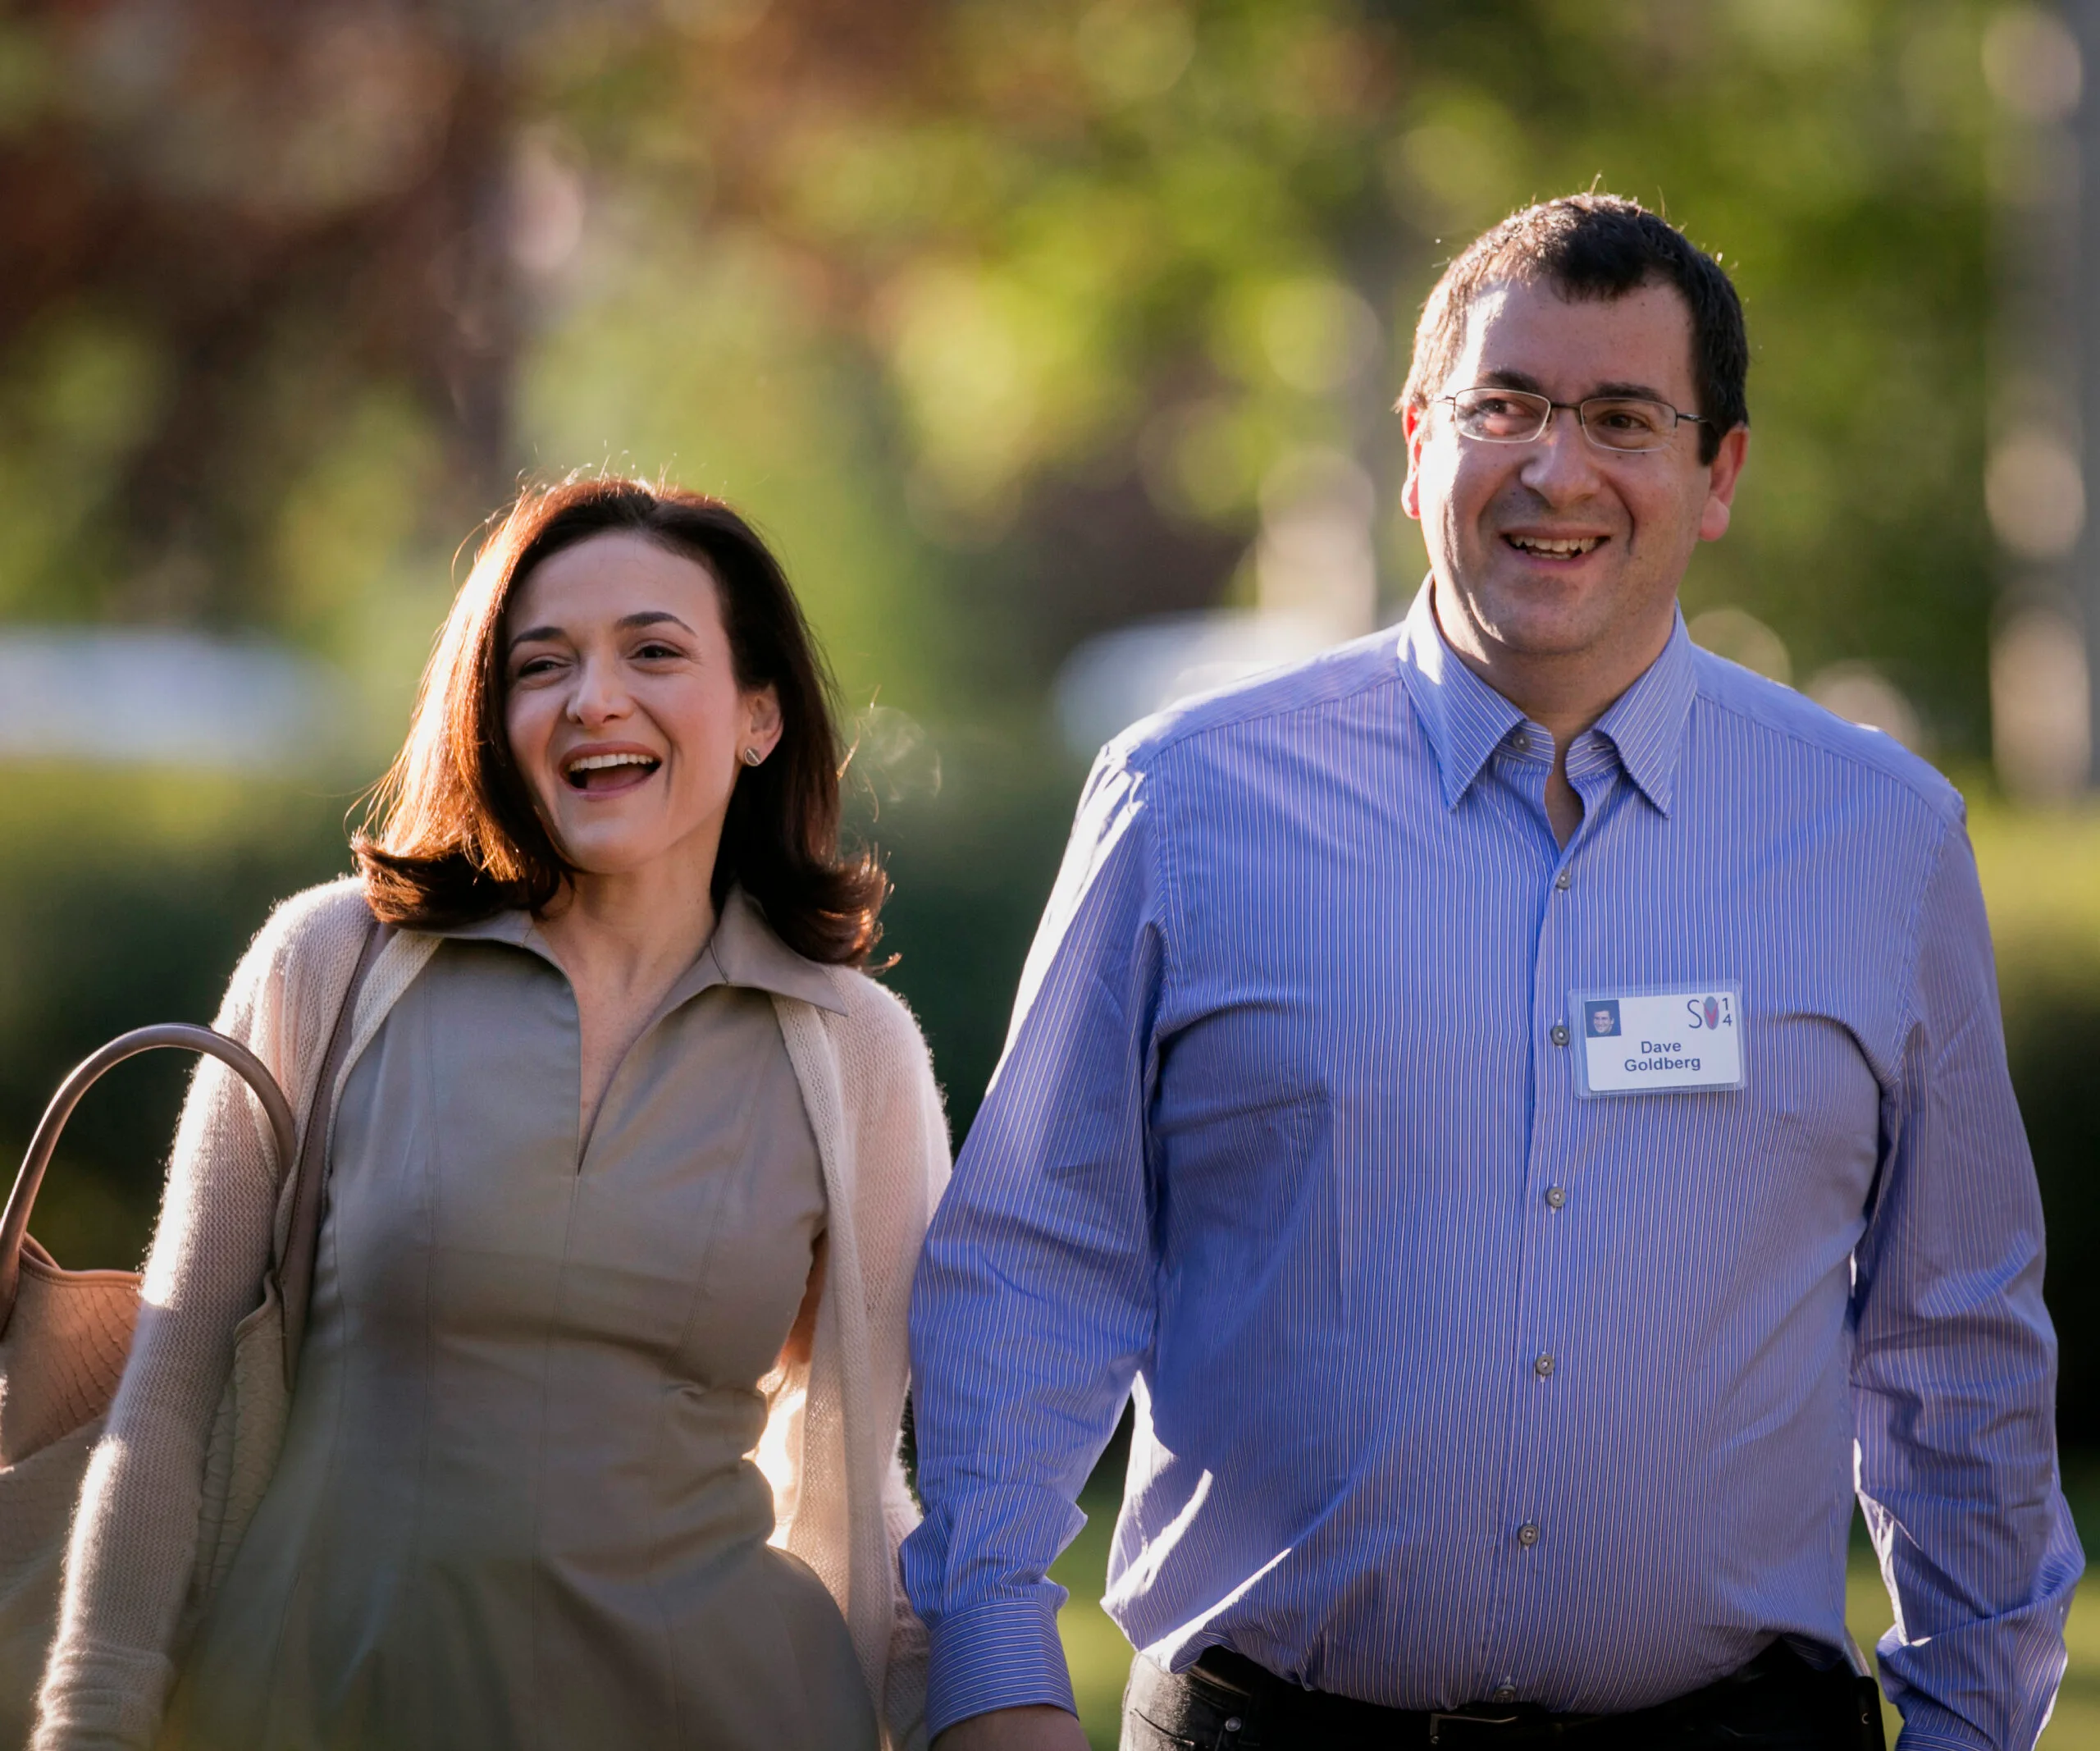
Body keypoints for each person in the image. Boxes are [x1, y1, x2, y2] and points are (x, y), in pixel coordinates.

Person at [903, 195, 2082, 1751]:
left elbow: (1957, 1343)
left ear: (1717, 472)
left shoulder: (1882, 840)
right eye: (1505, 407)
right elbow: (1033, 1266)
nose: (1557, 468)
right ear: (1413, 445)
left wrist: (1973, 1726)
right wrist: (989, 1670)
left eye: (1622, 418)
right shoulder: (1185, 802)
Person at [34, 478, 947, 1750]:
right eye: (542, 664)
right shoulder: (330, 964)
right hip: (310, 1710)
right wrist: (91, 1714)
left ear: (758, 715)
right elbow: (169, 1392)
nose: (594, 698)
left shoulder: (854, 1051)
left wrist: (973, 1704)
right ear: (493, 712)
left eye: (653, 650)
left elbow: (873, 1464)